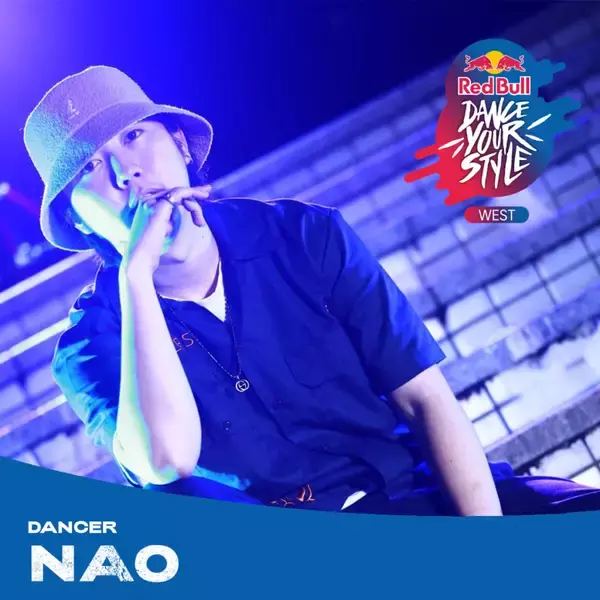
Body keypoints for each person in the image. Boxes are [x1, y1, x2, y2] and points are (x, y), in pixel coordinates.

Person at [23, 65, 600, 515]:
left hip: (414, 496)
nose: (125, 173)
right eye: (91, 169)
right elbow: (165, 460)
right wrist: (136, 279)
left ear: (180, 143)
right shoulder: (90, 347)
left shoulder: (305, 235)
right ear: (76, 220)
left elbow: (425, 398)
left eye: (134, 137)